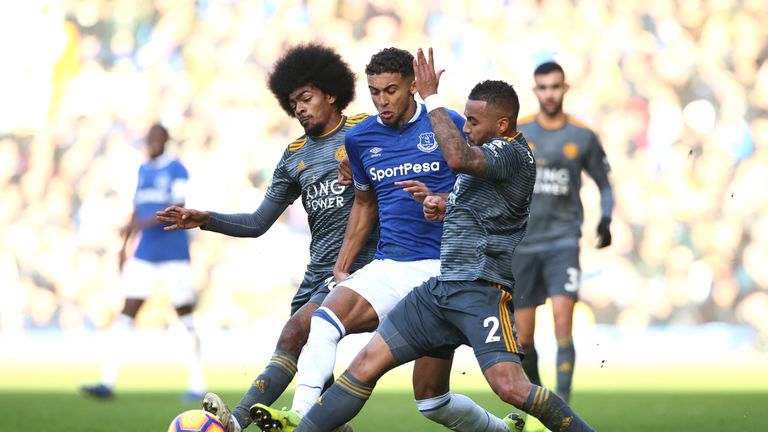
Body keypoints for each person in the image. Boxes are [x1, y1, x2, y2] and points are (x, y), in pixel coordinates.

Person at [292, 47, 597, 432]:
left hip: (480, 290)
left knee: (510, 387)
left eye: (472, 121)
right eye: (465, 121)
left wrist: (432, 97)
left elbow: (456, 158)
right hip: (438, 290)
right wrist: (440, 202)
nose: (466, 129)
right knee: (365, 367)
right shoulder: (484, 154)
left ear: (502, 124)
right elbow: (478, 203)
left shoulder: (512, 153)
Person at [155, 43, 378, 432]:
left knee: (294, 333)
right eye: (293, 103)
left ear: (331, 93)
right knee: (318, 386)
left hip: (362, 266)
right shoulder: (294, 156)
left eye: (306, 98)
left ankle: (235, 422)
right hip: (317, 274)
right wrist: (205, 218)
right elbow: (259, 221)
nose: (300, 109)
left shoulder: (366, 130)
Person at [249, 47, 468, 431]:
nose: (382, 100)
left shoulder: (444, 122)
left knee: (433, 401)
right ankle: (299, 416)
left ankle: (503, 427)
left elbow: (478, 189)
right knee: (323, 320)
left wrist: (445, 203)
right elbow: (364, 204)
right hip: (390, 265)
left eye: (391, 90)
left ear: (413, 87)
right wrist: (343, 263)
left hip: (442, 270)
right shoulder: (363, 138)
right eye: (374, 92)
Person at [511, 61, 613, 419]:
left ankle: (564, 405)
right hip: (522, 245)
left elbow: (604, 182)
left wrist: (606, 218)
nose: (549, 93)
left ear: (564, 88)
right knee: (523, 338)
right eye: (543, 87)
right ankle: (544, 405)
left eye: (555, 87)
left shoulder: (582, 135)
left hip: (562, 242)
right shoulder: (518, 133)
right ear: (535, 90)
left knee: (561, 322)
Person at [81, 123, 206, 402]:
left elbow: (178, 209)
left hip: (174, 253)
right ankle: (106, 382)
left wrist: (139, 224)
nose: (151, 142)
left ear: (165, 140)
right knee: (126, 312)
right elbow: (136, 208)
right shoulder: (143, 169)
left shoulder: (177, 169)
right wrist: (124, 245)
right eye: (148, 138)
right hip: (145, 254)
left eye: (156, 138)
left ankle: (197, 383)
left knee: (184, 316)